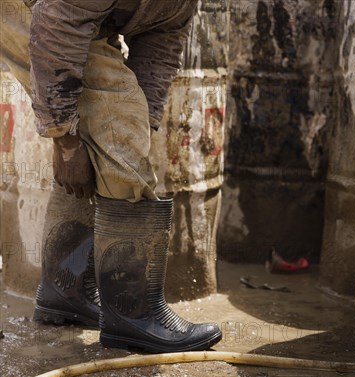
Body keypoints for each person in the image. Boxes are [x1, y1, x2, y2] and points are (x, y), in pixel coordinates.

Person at [0, 0, 222, 353]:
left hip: (74, 18)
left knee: (116, 137)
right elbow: (58, 28)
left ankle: (66, 288)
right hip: (37, 10)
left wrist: (137, 134)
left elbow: (159, 49)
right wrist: (66, 141)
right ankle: (135, 315)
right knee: (116, 131)